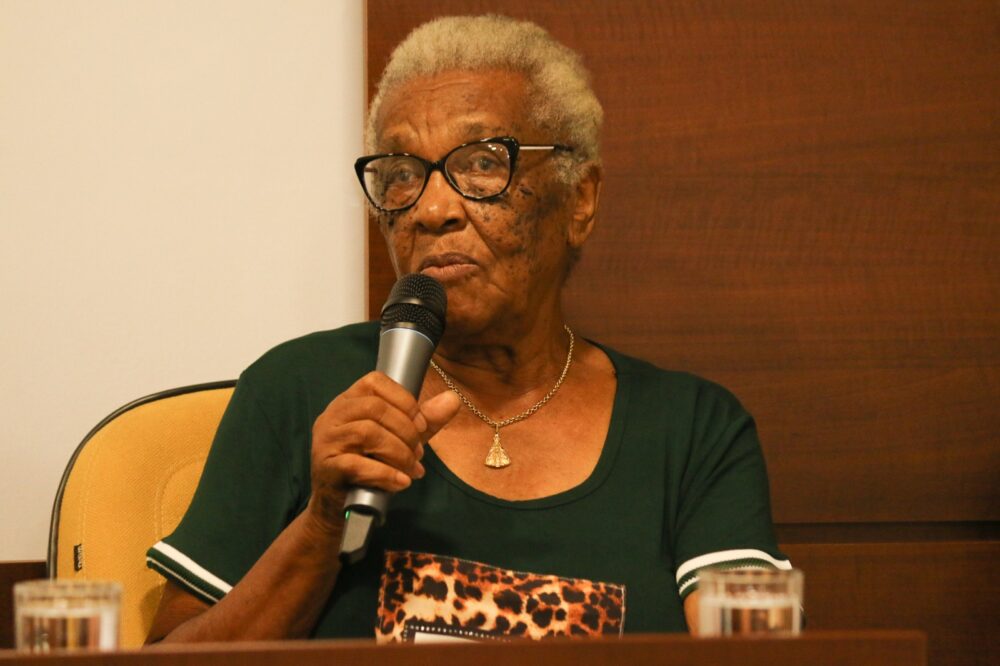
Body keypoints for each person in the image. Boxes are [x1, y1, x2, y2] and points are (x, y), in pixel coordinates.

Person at [145, 14, 790, 643]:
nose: (431, 209)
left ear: (580, 199)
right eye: (401, 175)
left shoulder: (692, 430)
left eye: (482, 163)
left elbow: (762, 654)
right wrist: (320, 523)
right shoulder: (299, 389)